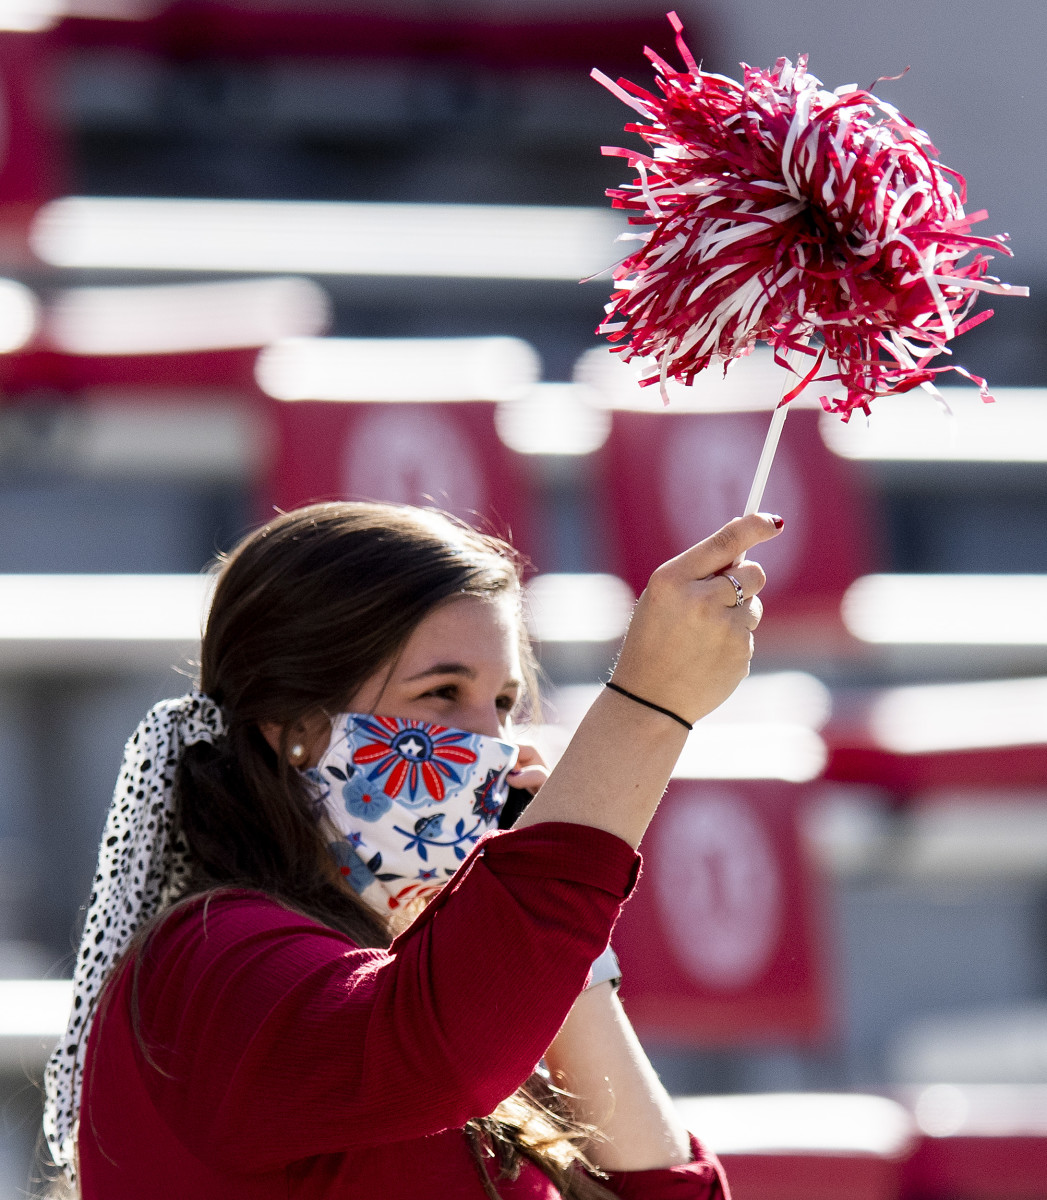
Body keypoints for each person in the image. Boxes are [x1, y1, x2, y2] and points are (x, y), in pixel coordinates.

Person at [41, 499, 781, 1199]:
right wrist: (646, 710)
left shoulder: (446, 987)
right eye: (440, 694)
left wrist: (563, 950)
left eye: (500, 703)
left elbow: (662, 1189)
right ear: (296, 727)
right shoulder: (207, 961)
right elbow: (435, 1052)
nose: (493, 745)